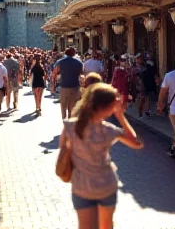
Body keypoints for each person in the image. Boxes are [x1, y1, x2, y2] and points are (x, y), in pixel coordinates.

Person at [61, 83, 143, 229]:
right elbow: (136, 143)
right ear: (105, 107)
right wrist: (120, 115)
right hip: (106, 185)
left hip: (81, 187)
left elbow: (63, 154)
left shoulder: (69, 127)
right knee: (106, 226)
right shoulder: (108, 130)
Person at [53, 47, 84, 119]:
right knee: (72, 106)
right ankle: (70, 120)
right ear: (74, 53)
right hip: (74, 86)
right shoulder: (79, 62)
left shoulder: (60, 62)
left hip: (63, 86)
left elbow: (54, 73)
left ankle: (64, 119)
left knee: (63, 105)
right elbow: (82, 75)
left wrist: (53, 85)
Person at [135, 53, 158, 118]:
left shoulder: (146, 66)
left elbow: (151, 73)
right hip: (139, 85)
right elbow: (135, 76)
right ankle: (140, 112)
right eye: (139, 58)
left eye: (142, 58)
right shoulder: (135, 67)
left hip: (146, 84)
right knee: (141, 98)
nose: (141, 59)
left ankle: (146, 111)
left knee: (147, 98)